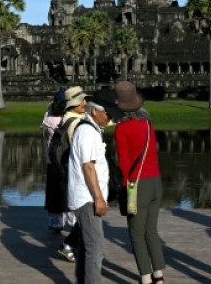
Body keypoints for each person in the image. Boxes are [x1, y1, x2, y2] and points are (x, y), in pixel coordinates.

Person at [68, 88, 124, 284]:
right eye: (107, 114)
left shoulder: (91, 130)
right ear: (94, 111)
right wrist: (99, 198)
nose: (110, 118)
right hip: (87, 198)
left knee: (86, 246)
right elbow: (88, 167)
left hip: (87, 196)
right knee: (95, 248)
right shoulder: (87, 132)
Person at [114, 81, 166, 284]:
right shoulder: (147, 123)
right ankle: (159, 276)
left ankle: (145, 277)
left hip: (137, 184)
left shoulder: (122, 129)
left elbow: (125, 164)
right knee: (151, 231)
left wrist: (127, 192)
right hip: (155, 181)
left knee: (136, 233)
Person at [57, 86, 90, 263]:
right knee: (88, 212)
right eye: (81, 101)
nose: (85, 103)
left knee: (88, 213)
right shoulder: (75, 123)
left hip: (79, 173)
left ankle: (72, 244)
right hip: (82, 174)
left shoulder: (76, 119)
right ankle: (69, 244)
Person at [41, 89, 71, 233]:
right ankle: (72, 220)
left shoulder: (48, 117)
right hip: (66, 159)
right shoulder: (64, 120)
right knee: (68, 190)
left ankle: (56, 222)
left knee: (55, 192)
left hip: (52, 159)